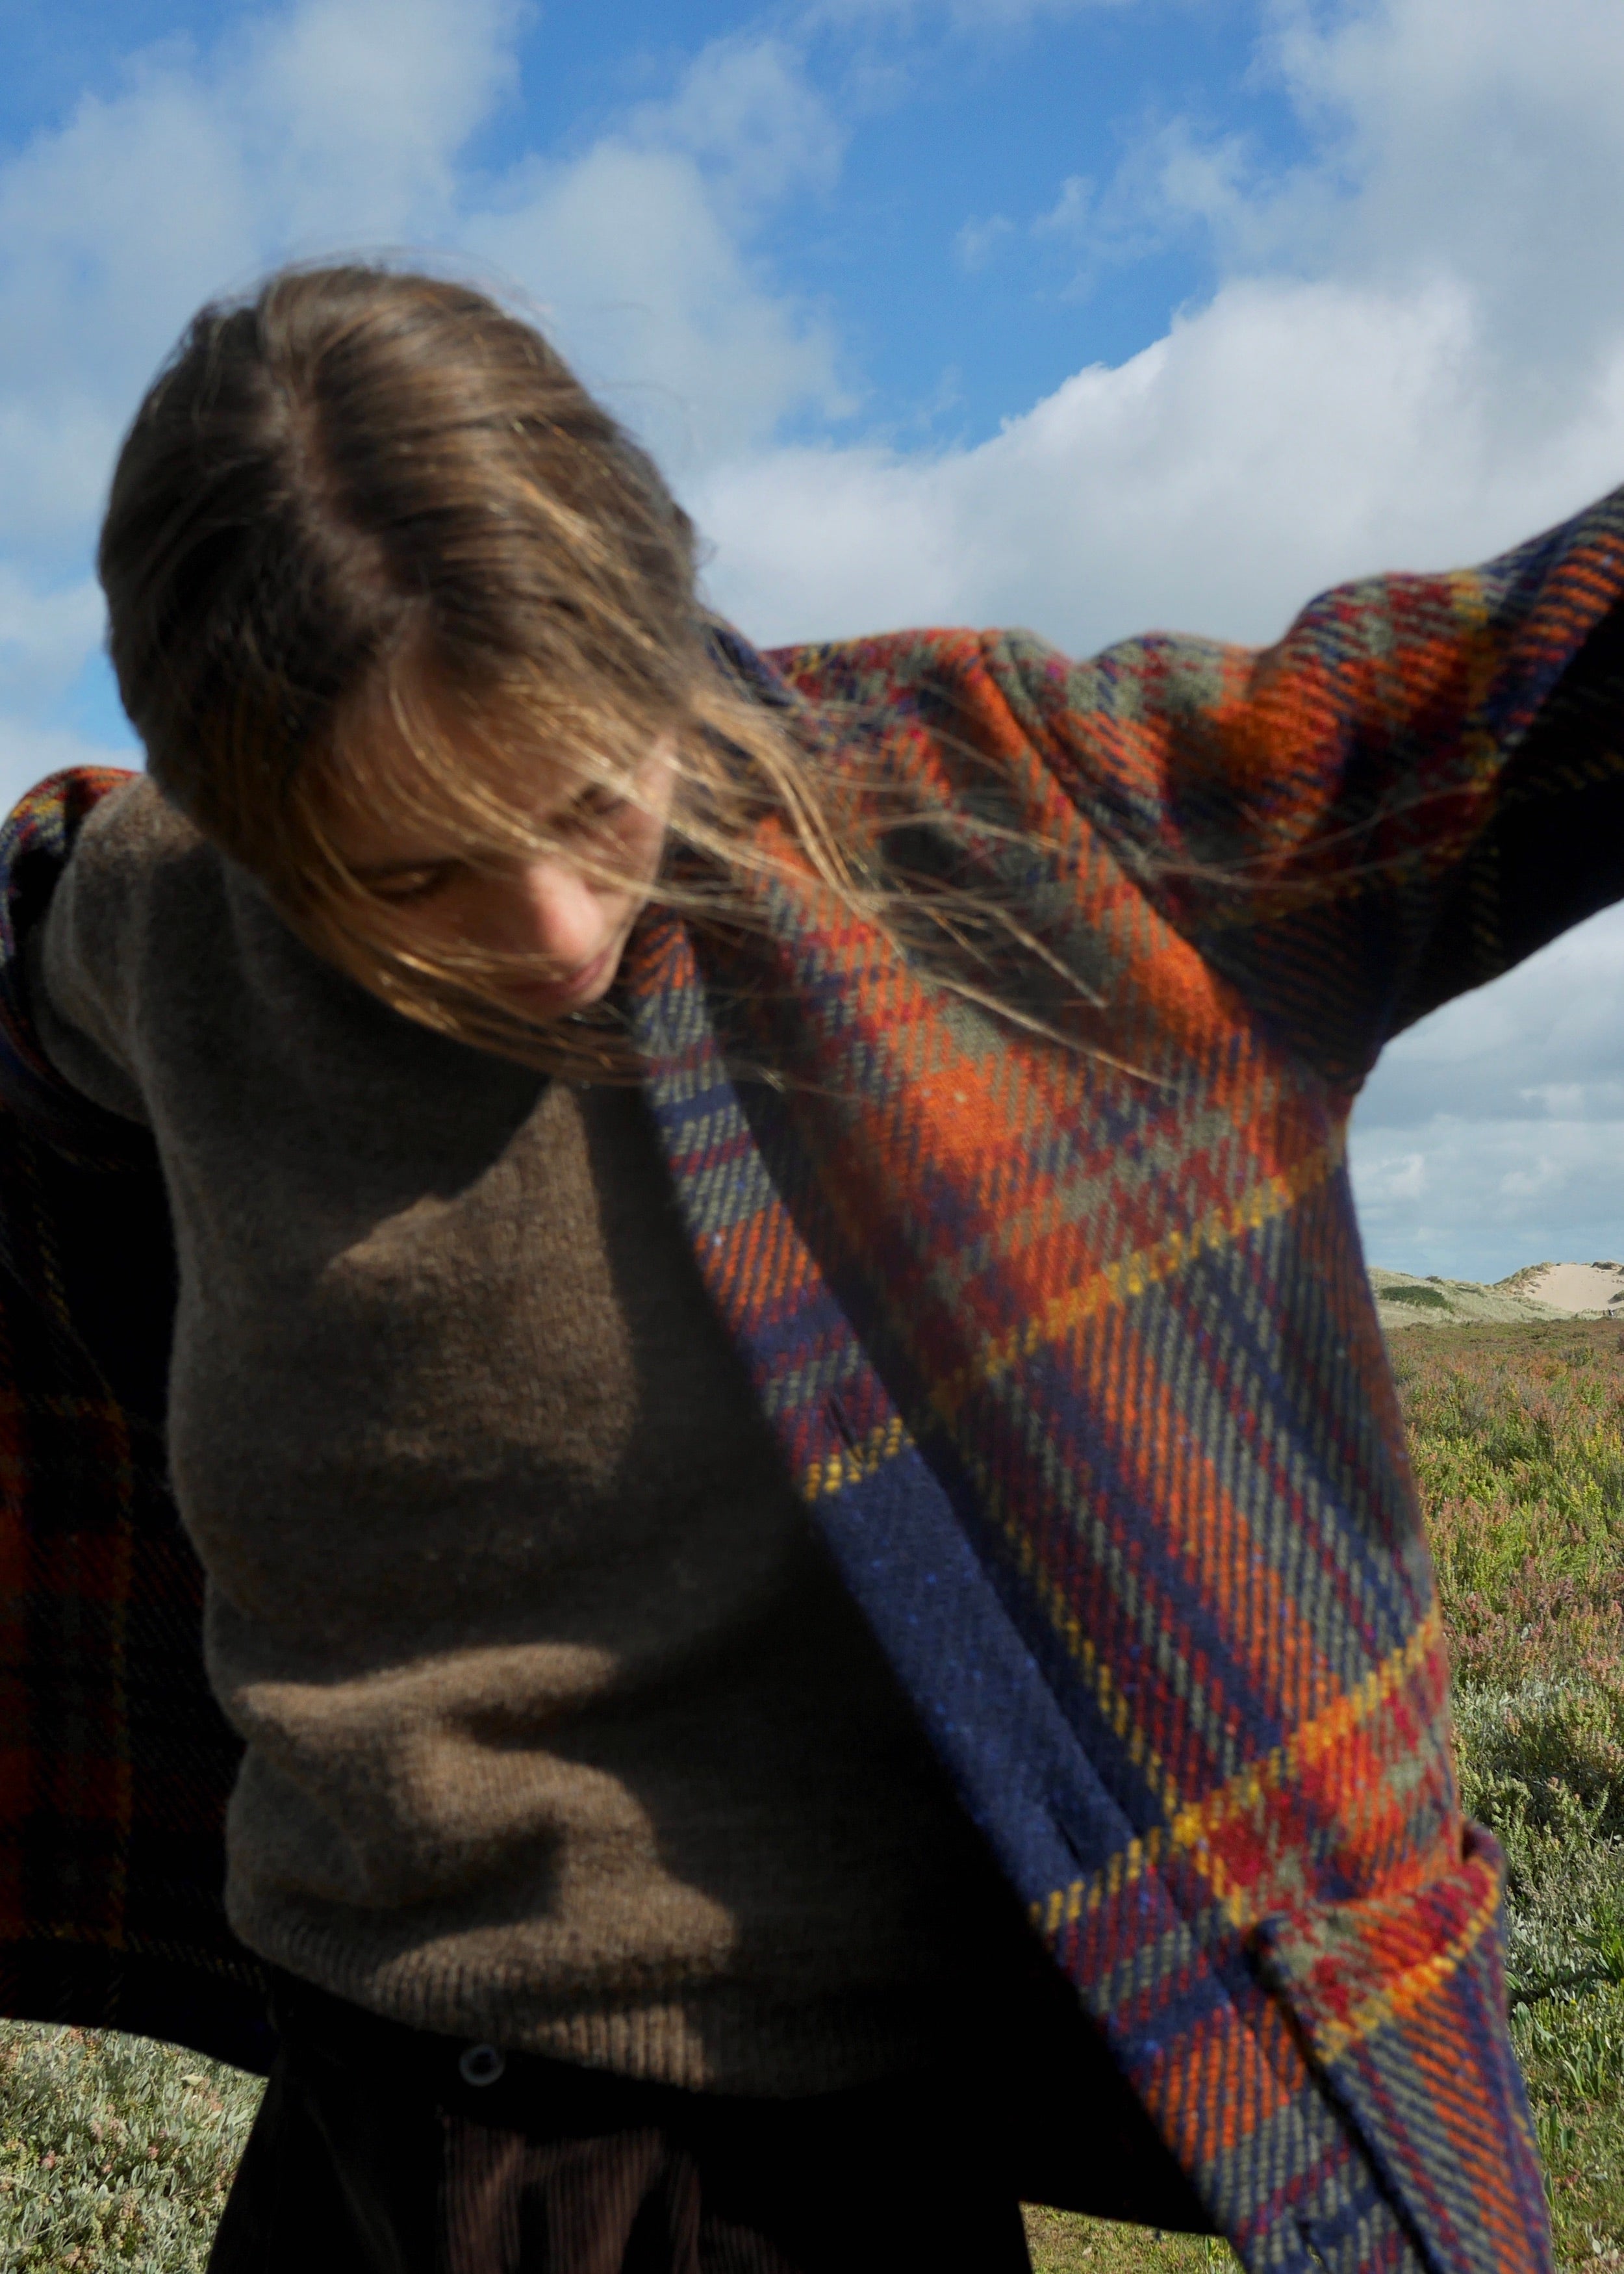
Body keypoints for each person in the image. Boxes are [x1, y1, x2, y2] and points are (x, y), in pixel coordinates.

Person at [3, 260, 1621, 2274]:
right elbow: (41, 979)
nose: (554, 922)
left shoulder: (959, 821)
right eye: (410, 876)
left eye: (597, 793)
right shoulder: (165, 917)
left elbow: (1513, 701)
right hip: (350, 2119)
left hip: (789, 2181)